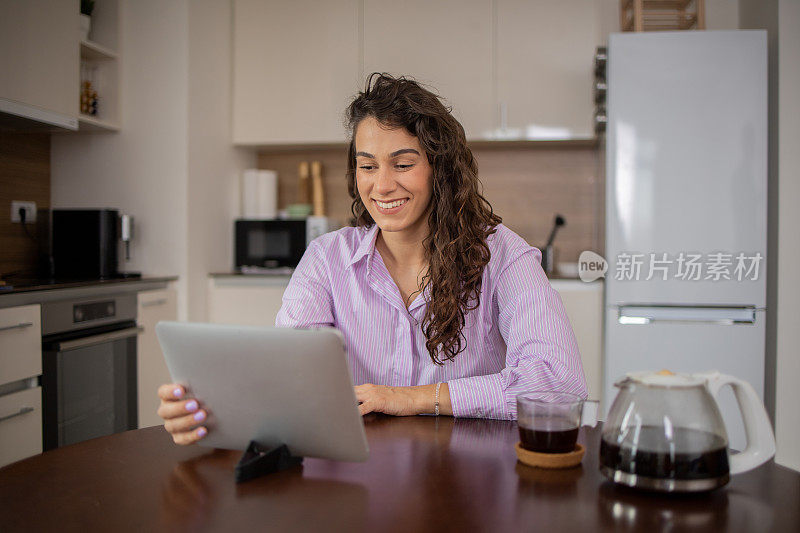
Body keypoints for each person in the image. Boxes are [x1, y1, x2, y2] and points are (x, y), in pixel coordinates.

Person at [157, 73, 587, 445]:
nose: (381, 185)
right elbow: (292, 378)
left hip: (468, 474)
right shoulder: (327, 259)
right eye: (367, 166)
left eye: (402, 164)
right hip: (360, 475)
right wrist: (210, 411)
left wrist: (411, 398)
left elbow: (557, 385)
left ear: (442, 169)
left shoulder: (503, 255)